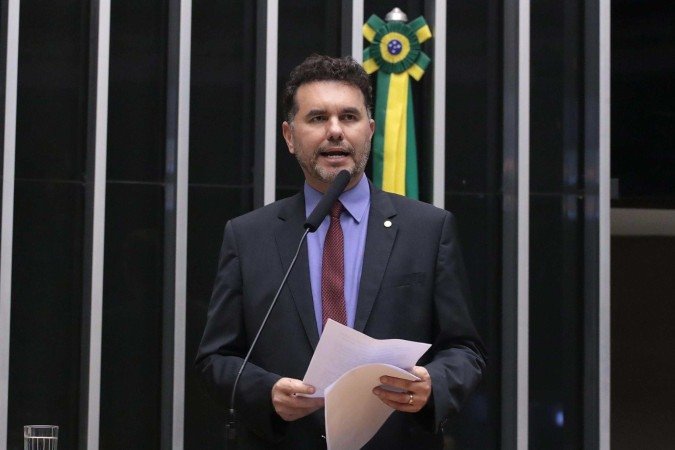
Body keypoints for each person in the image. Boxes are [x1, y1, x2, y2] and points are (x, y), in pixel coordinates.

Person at [195, 55, 486, 449]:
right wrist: (266, 393)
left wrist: (434, 384)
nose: (335, 131)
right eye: (317, 118)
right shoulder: (248, 237)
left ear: (370, 130)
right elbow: (215, 358)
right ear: (289, 136)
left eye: (349, 117)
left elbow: (464, 349)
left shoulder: (428, 230)